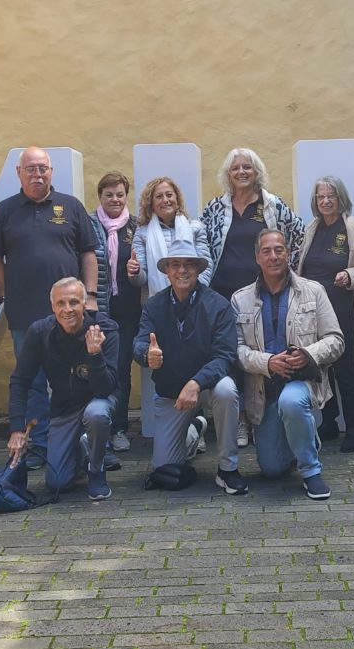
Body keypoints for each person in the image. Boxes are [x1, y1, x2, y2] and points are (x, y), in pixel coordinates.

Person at [0, 146, 99, 470]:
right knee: (33, 380)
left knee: (80, 376)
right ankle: (40, 445)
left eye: (43, 169)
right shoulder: (5, 211)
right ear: (18, 173)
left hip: (72, 313)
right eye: (31, 169)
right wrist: (7, 288)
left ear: (52, 172)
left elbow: (88, 254)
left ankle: (87, 441)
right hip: (25, 312)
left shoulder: (71, 206)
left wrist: (90, 295)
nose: (38, 174)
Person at [199, 148, 304, 448]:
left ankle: (261, 419)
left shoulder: (271, 205)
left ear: (257, 171)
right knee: (231, 355)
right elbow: (201, 242)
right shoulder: (216, 208)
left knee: (259, 353)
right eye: (236, 168)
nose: (242, 172)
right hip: (222, 294)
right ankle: (240, 420)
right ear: (228, 174)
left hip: (262, 294)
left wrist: (287, 270)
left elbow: (298, 235)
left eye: (248, 167)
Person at [233, 229, 344, 499]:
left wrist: (307, 353)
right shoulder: (240, 299)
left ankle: (310, 471)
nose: (274, 256)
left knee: (292, 403)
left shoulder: (313, 291)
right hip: (264, 390)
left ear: (289, 254)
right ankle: (305, 437)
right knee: (272, 468)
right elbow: (236, 351)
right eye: (267, 251)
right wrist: (267, 362)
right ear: (257, 257)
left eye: (279, 250)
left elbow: (336, 340)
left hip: (300, 382)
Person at [133, 239, 246, 495]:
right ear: (167, 270)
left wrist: (196, 383)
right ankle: (195, 430)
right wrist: (145, 354)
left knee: (227, 390)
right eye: (175, 265)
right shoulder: (154, 305)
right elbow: (140, 341)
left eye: (188, 265)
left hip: (208, 386)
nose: (182, 270)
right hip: (173, 392)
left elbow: (225, 355)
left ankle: (228, 469)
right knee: (165, 469)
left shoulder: (218, 305)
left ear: (198, 269)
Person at [7, 277, 119, 500]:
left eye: (74, 302)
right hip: (64, 408)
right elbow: (20, 381)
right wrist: (17, 429)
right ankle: (81, 450)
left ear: (85, 304)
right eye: (61, 303)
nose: (67, 309)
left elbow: (106, 389)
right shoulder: (40, 332)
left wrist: (95, 355)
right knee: (57, 482)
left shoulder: (105, 329)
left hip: (99, 401)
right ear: (52, 306)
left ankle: (96, 470)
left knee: (96, 414)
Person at [126, 176, 214, 455]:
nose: (166, 200)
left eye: (170, 195)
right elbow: (140, 279)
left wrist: (191, 293)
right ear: (151, 203)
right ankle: (180, 425)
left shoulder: (196, 227)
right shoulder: (141, 233)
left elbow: (206, 265)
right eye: (159, 197)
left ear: (178, 199)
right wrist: (133, 272)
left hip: (195, 305)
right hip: (160, 309)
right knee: (166, 365)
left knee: (195, 362)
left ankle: (197, 423)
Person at [296, 176, 354, 453]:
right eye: (321, 197)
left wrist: (350, 274)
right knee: (320, 366)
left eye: (331, 196)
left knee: (345, 368)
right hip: (312, 311)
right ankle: (329, 421)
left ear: (340, 198)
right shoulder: (312, 228)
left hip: (342, 309)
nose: (325, 201)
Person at [88, 172, 141, 461]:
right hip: (98, 310)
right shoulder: (89, 225)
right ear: (100, 196)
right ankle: (99, 428)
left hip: (129, 310)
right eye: (109, 194)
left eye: (120, 194)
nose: (115, 199)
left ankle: (119, 427)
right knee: (98, 367)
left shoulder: (136, 227)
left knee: (121, 368)